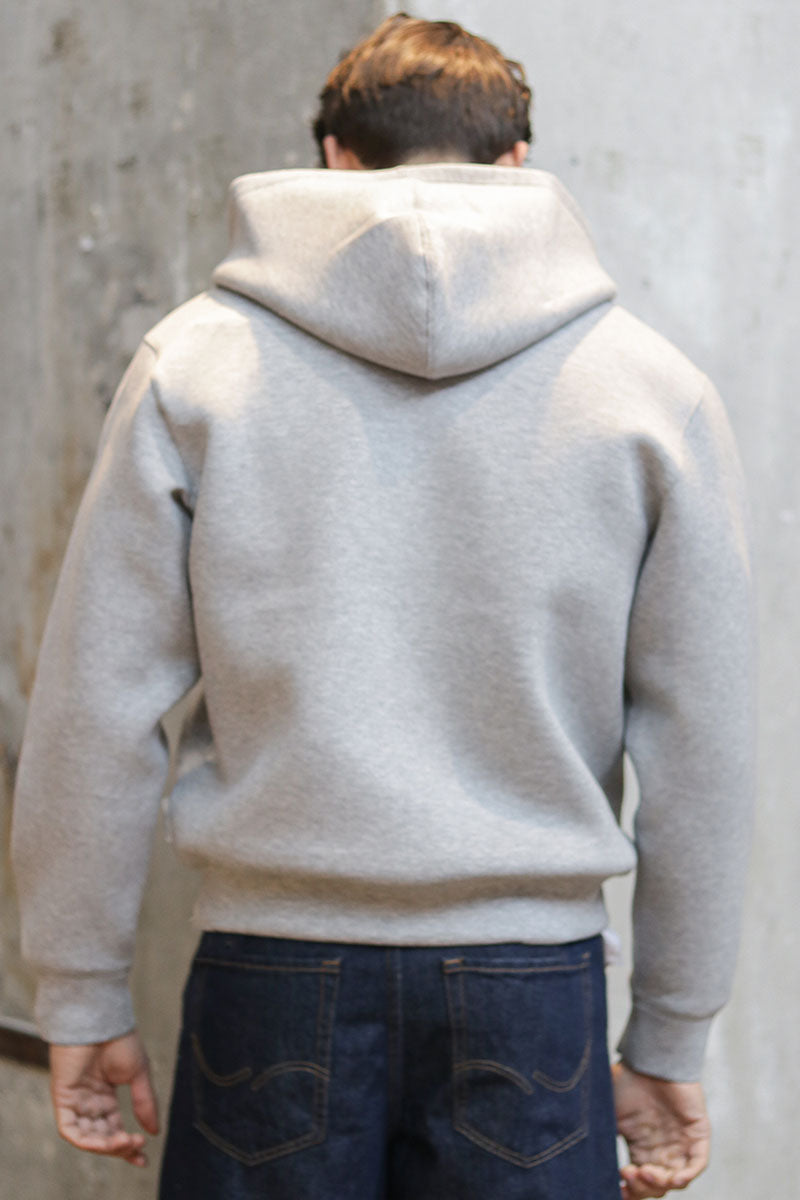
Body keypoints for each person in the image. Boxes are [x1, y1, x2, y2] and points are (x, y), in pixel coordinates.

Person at [11, 13, 755, 1200]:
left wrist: (82, 992)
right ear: (516, 164)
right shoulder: (647, 392)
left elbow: (96, 707)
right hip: (531, 987)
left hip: (271, 976)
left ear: (332, 158)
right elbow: (701, 745)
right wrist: (667, 1034)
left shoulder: (194, 368)